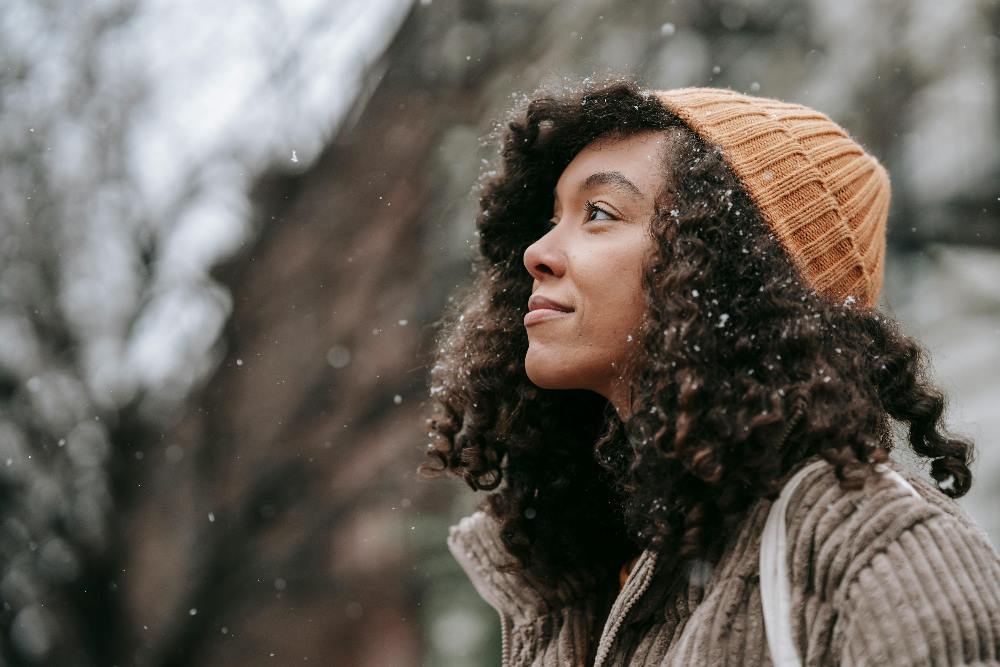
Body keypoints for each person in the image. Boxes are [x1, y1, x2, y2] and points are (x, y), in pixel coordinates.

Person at [418, 76, 1000, 666]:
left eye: (598, 212)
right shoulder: (590, 575)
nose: (535, 253)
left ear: (725, 270)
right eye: (552, 218)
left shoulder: (874, 549)